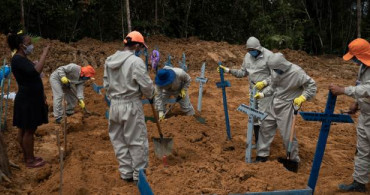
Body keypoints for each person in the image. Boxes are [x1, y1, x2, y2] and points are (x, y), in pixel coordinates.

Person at [103, 31, 154, 184]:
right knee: (136, 140)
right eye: (141, 47)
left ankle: (126, 173)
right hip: (131, 104)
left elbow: (105, 84)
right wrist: (151, 94)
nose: (141, 50)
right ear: (137, 45)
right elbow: (146, 86)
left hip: (114, 105)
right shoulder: (135, 62)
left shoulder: (109, 60)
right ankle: (140, 175)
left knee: (119, 140)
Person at [255, 52, 317, 172]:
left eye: (277, 69)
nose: (275, 72)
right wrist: (263, 93)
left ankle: (293, 159)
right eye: (273, 70)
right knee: (265, 127)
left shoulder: (297, 72)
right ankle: (262, 155)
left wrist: (303, 97)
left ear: (283, 65)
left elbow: (312, 86)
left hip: (288, 106)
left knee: (287, 134)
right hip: (274, 103)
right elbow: (273, 87)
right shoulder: (275, 70)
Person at [330, 38, 370, 192]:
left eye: (354, 57)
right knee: (362, 150)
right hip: (365, 115)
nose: (353, 60)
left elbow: (367, 89)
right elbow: (360, 85)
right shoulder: (363, 67)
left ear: (361, 56)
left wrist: (344, 90)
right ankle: (359, 183)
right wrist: (356, 104)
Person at [217, 36, 273, 147]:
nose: (251, 52)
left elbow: (276, 75)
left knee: (263, 117)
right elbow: (243, 72)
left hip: (265, 90)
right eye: (249, 50)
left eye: (253, 50)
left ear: (258, 48)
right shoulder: (247, 57)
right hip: (253, 89)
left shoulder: (269, 56)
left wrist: (265, 83)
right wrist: (228, 70)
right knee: (254, 117)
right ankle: (258, 142)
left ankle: (263, 146)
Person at [7, 30, 50, 168]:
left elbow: (31, 74)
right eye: (28, 43)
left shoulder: (21, 59)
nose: (31, 45)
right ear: (21, 45)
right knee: (29, 131)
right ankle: (30, 160)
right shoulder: (18, 59)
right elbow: (35, 71)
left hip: (29, 98)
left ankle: (27, 156)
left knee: (23, 130)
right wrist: (44, 54)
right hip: (28, 100)